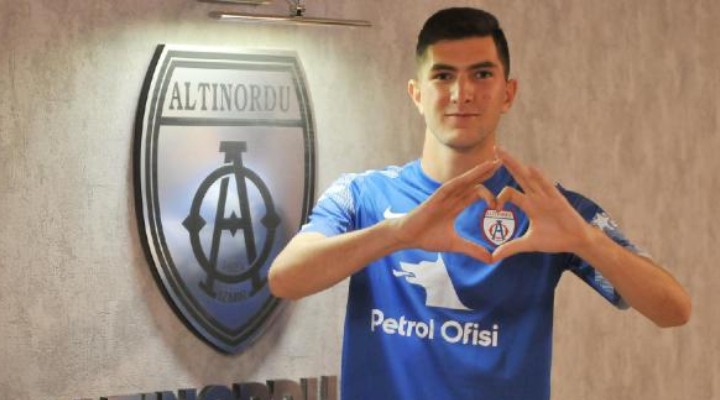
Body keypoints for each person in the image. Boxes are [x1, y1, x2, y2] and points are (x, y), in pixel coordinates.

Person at [268, 7, 691, 400]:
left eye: (482, 74)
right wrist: (397, 234)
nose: (462, 93)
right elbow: (286, 279)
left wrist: (584, 239)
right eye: (443, 76)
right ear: (416, 94)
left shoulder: (550, 209)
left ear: (508, 93)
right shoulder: (363, 194)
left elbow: (673, 309)